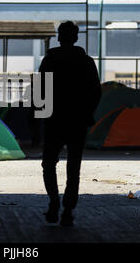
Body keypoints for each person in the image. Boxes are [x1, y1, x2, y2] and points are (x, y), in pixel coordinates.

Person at [38, 21, 101, 226]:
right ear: (76, 38)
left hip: (54, 120)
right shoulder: (86, 62)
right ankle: (68, 208)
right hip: (78, 121)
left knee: (49, 163)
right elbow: (95, 92)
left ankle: (54, 201)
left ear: (58, 37)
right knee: (74, 167)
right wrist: (85, 113)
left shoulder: (49, 60)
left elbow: (40, 90)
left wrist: (40, 116)